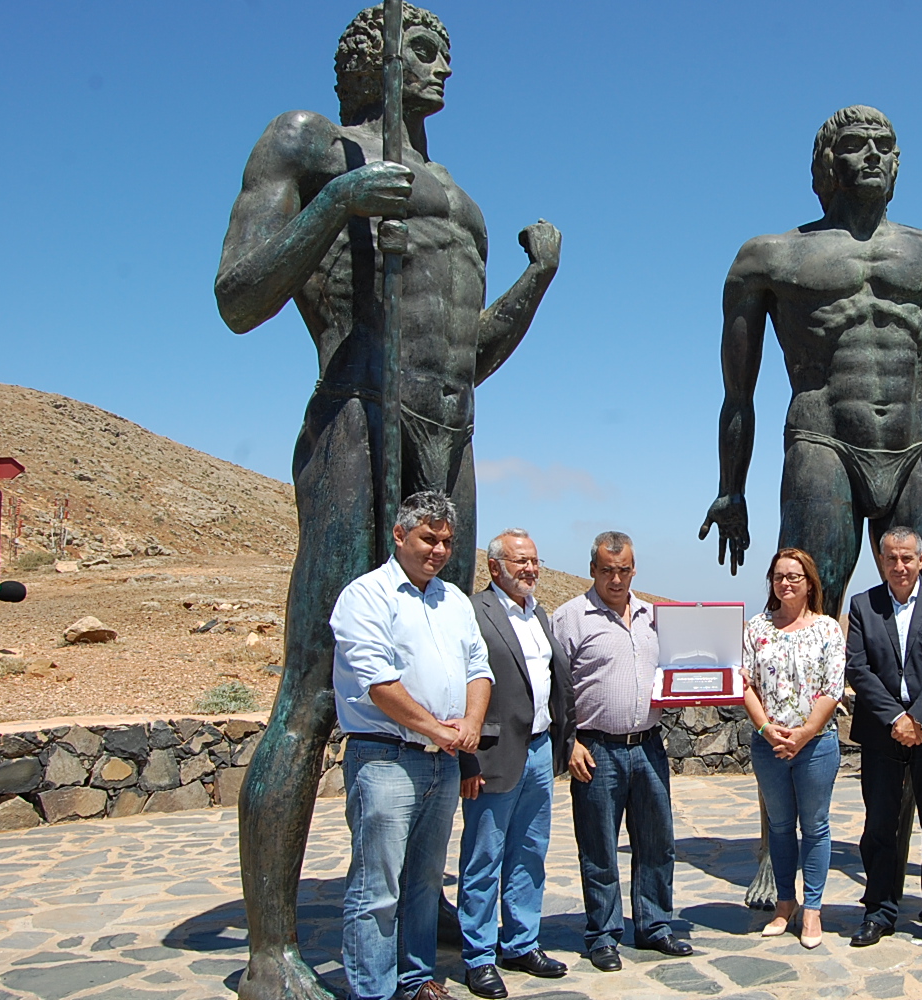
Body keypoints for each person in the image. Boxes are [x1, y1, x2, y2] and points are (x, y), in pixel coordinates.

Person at [215, 7, 559, 995]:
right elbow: (238, 296)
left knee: (443, 686)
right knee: (315, 683)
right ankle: (271, 945)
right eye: (421, 49)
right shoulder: (307, 143)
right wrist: (338, 204)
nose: (441, 65)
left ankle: (419, 901)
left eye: (448, 52)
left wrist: (536, 280)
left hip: (450, 437)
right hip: (357, 421)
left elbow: (470, 355)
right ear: (369, 60)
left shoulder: (464, 204)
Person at [701, 105, 922, 613]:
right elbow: (737, 394)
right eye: (855, 144)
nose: (873, 155)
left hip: (913, 450)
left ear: (898, 163)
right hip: (822, 444)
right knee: (806, 607)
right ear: (827, 162)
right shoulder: (769, 257)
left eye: (884, 147)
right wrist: (730, 490)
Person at [329, 491, 493, 1000]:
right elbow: (379, 683)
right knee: (376, 888)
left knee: (424, 883)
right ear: (399, 535)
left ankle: (415, 979)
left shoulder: (454, 600)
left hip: (441, 763)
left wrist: (471, 721)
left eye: (446, 541)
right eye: (428, 539)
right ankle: (372, 991)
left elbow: (478, 667)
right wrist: (436, 729)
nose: (439, 550)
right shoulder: (366, 596)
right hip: (385, 760)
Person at [551, 532, 693, 971]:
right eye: (607, 571)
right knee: (599, 848)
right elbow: (556, 689)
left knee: (657, 843)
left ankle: (655, 926)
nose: (616, 579)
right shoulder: (569, 618)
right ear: (592, 570)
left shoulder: (652, 617)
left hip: (648, 746)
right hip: (596, 749)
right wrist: (569, 743)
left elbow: (679, 669)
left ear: (634, 570)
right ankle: (604, 935)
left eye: (624, 570)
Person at [455, 529, 576, 998]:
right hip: (492, 754)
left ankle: (521, 943)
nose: (530, 569)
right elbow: (460, 685)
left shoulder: (538, 613)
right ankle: (479, 956)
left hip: (539, 749)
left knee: (529, 851)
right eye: (520, 561)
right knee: (484, 856)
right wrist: (466, 761)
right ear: (494, 567)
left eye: (534, 561)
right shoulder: (473, 612)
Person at [844, 527, 922, 951]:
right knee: (880, 825)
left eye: (907, 558)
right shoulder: (864, 605)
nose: (899, 566)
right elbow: (858, 668)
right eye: (891, 558)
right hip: (883, 731)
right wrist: (896, 718)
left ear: (921, 560)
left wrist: (917, 718)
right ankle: (879, 911)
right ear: (881, 561)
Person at [742, 548, 847, 949]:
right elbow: (746, 684)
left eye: (793, 577)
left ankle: (813, 909)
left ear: (809, 583)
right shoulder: (756, 627)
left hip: (816, 746)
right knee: (781, 827)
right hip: (769, 747)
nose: (785, 583)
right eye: (778, 577)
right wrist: (768, 730)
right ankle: (785, 903)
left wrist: (803, 734)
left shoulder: (827, 629)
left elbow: (832, 688)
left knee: (815, 827)